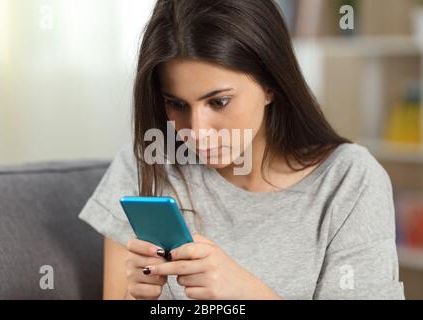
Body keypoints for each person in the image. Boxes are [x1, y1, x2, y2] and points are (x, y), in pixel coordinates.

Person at [78, 0, 404, 300]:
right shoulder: (144, 168)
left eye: (218, 101)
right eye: (176, 104)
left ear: (270, 85)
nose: (197, 131)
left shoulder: (349, 180)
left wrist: (245, 292)